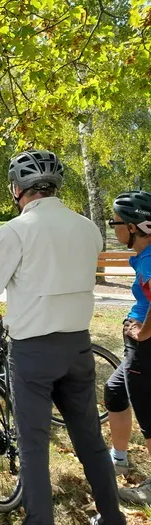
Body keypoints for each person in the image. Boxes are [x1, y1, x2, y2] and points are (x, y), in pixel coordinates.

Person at [0, 150, 125, 525]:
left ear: (16, 188)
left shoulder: (15, 230)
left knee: (34, 445)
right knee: (90, 437)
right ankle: (112, 517)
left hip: (32, 351)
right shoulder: (87, 227)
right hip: (78, 344)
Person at [104, 190, 151, 505]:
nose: (113, 227)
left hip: (144, 346)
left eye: (115, 222)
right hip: (137, 344)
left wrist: (144, 332)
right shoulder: (145, 255)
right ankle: (119, 458)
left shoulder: (148, 259)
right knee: (115, 390)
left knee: (148, 415)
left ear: (133, 227)